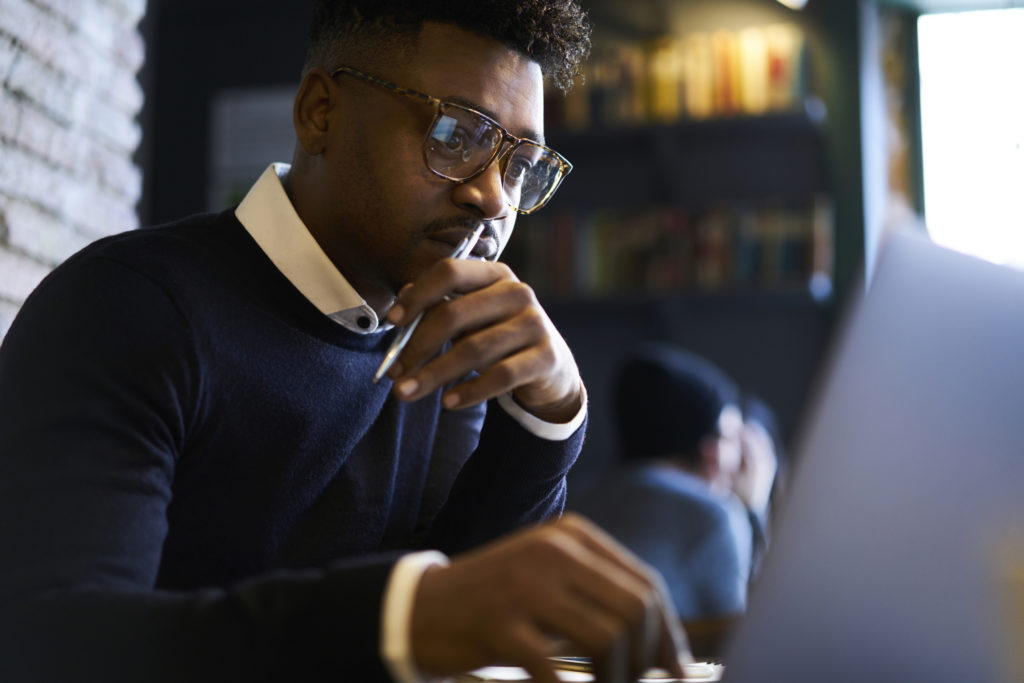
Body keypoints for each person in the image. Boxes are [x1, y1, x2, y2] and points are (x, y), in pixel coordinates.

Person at [0, 2, 689, 682]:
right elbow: (52, 643)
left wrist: (545, 422)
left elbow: (479, 637)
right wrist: (399, 616)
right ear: (319, 112)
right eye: (456, 133)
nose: (494, 197)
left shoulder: (449, 354)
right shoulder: (128, 307)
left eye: (520, 164)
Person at [570, 343, 777, 622]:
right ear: (710, 449)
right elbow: (747, 643)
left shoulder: (574, 498)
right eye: (730, 436)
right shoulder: (714, 517)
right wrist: (754, 511)